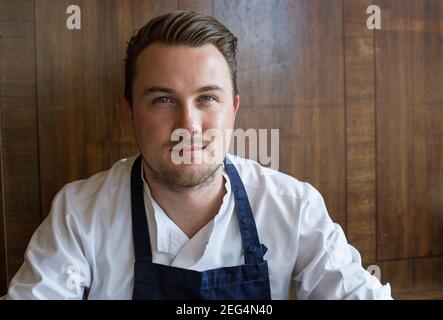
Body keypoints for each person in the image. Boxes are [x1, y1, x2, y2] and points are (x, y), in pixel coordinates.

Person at [3, 10, 392, 300]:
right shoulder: (81, 214)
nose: (188, 124)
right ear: (130, 113)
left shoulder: (292, 207)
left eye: (207, 98)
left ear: (233, 109)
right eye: (162, 99)